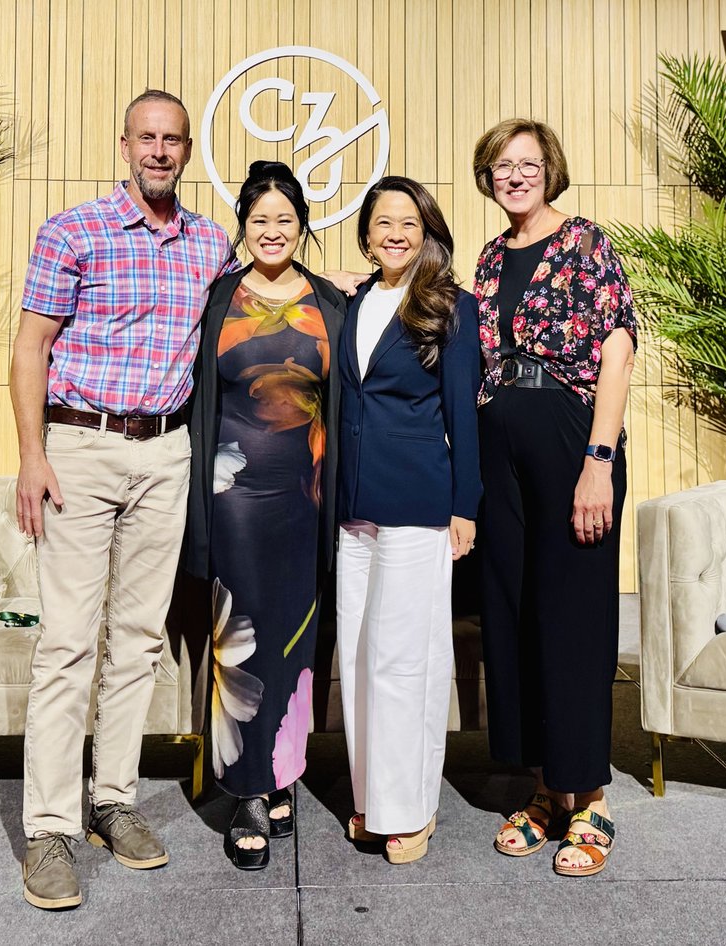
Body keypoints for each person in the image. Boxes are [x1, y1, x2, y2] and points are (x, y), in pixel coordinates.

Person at [10, 89, 238, 910]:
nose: (159, 151)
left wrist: (361, 278)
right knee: (69, 642)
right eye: (146, 137)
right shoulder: (73, 231)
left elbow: (274, 280)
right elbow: (31, 347)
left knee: (137, 640)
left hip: (165, 451)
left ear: (186, 150)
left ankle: (113, 802)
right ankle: (49, 830)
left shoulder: (211, 242)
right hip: (78, 447)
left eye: (173, 139)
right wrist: (33, 454)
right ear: (124, 144)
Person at [470, 119, 636, 876]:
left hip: (573, 443)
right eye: (502, 165)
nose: (515, 176)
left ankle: (591, 796)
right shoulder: (489, 256)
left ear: (551, 171)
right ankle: (545, 792)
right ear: (488, 176)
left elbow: (618, 345)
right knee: (514, 612)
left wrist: (598, 459)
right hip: (498, 447)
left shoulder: (586, 242)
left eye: (528, 164)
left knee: (573, 618)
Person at [184, 161, 347, 870]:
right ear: (242, 229)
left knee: (298, 643)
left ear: (302, 226)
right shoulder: (218, 296)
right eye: (259, 222)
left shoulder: (331, 301)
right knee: (241, 639)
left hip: (308, 501)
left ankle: (282, 773)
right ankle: (246, 792)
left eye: (284, 220)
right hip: (236, 498)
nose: (272, 231)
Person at [335, 176, 481, 865]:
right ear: (366, 234)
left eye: (408, 224)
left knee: (406, 661)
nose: (394, 234)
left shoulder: (451, 307)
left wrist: (465, 505)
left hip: (419, 501)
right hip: (353, 506)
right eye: (382, 223)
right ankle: (371, 798)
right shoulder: (354, 302)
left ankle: (410, 809)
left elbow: (463, 415)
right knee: (359, 657)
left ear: (427, 234)